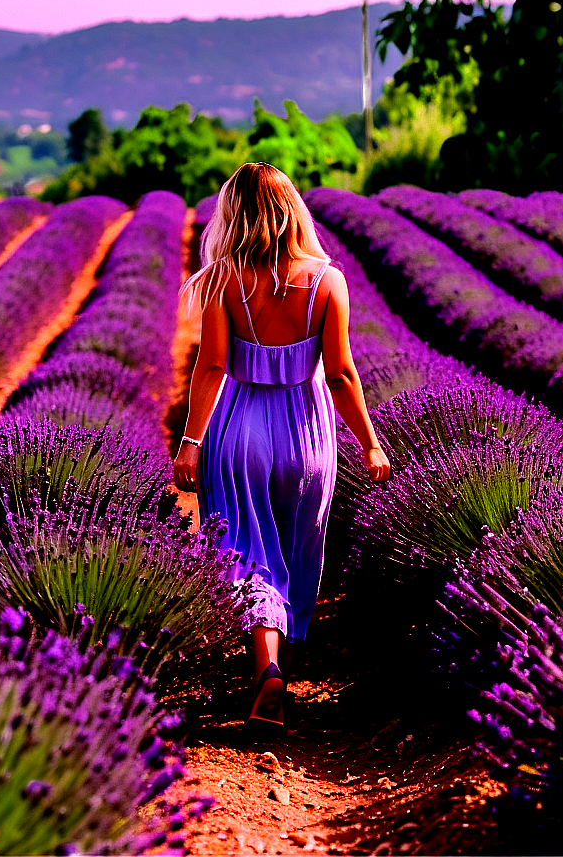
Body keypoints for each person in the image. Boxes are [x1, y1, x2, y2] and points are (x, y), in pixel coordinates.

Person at [173, 162, 390, 737]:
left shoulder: (224, 280)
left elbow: (212, 365)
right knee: (300, 552)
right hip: (307, 431)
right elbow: (342, 373)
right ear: (293, 209)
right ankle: (287, 677)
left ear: (234, 214)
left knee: (247, 551)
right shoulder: (328, 280)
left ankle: (264, 669)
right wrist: (370, 444)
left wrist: (191, 441)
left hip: (239, 429)